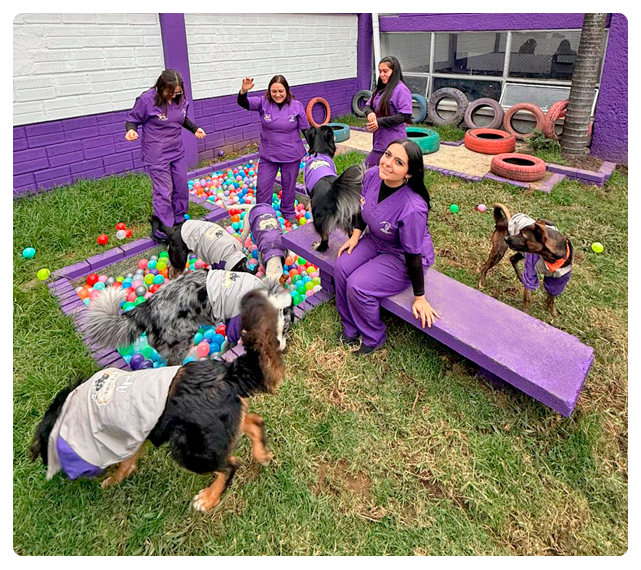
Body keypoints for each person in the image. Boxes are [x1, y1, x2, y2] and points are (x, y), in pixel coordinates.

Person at [334, 140, 440, 355]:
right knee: (341, 267)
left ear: (408, 173)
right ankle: (350, 327)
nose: (388, 163)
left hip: (402, 256)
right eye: (388, 155)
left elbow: (413, 254)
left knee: (358, 285)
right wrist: (355, 235)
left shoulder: (413, 208)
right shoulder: (373, 175)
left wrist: (419, 297)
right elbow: (363, 207)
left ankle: (373, 337)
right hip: (376, 239)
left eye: (399, 162)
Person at [125, 70, 206, 240]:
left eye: (177, 92)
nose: (173, 96)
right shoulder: (146, 100)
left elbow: (180, 118)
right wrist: (131, 130)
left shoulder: (180, 98)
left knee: (181, 186)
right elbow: (132, 119)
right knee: (164, 191)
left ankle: (179, 219)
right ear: (161, 87)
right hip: (156, 153)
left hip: (176, 150)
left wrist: (194, 128)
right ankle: (163, 230)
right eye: (170, 93)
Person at [237, 75, 310, 224]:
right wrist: (243, 91)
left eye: (281, 91)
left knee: (289, 186)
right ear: (269, 91)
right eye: (274, 91)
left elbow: (306, 130)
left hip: (291, 154)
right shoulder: (263, 103)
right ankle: (263, 214)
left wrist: (316, 149)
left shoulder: (297, 106)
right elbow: (243, 103)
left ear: (287, 90)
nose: (277, 94)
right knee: (262, 186)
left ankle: (288, 211)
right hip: (268, 155)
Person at [362, 56, 413, 168]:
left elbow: (405, 115)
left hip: (393, 141)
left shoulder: (401, 90)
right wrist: (370, 113)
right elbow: (367, 106)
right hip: (379, 140)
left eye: (385, 71)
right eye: (380, 71)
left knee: (368, 169)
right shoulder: (381, 88)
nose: (382, 75)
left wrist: (379, 122)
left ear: (394, 72)